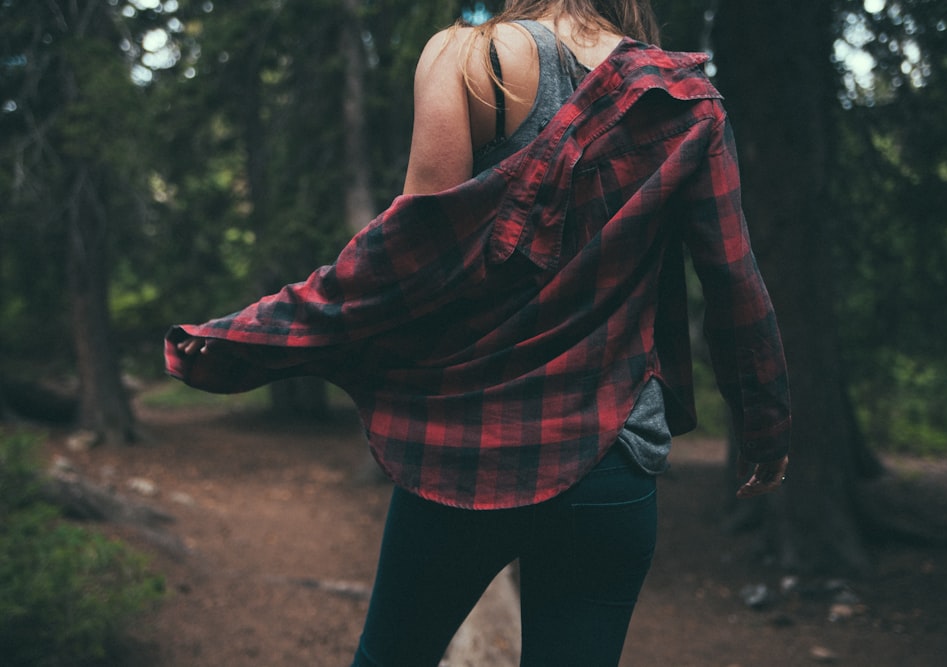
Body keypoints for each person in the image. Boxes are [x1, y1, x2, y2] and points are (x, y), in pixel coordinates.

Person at [167, 1, 791, 664]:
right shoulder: (687, 101)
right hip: (612, 455)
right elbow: (733, 278)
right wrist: (765, 424)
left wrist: (249, 338)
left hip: (465, 446)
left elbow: (402, 269)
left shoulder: (469, 59)